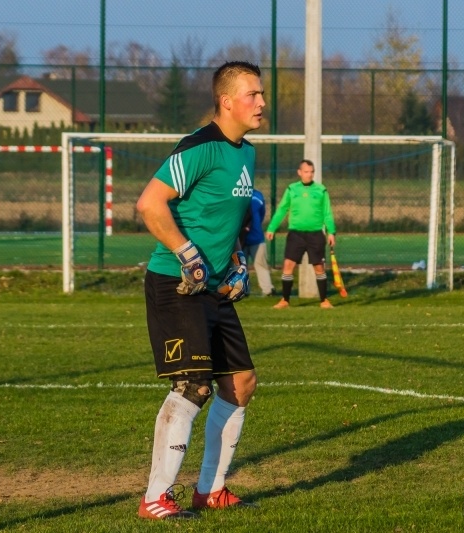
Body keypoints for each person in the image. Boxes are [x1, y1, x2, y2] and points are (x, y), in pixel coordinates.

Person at [135, 61, 264, 520]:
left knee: (240, 384)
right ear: (226, 100)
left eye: (261, 94)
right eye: (253, 94)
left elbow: (226, 221)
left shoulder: (245, 152)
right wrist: (187, 253)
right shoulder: (199, 147)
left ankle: (209, 489)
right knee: (193, 386)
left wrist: (238, 262)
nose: (262, 102)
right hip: (175, 282)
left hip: (212, 286)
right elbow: (149, 204)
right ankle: (155, 498)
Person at [265, 159, 336, 309]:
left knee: (319, 267)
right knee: (288, 265)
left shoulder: (321, 190)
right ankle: (285, 300)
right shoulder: (292, 189)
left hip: (316, 234)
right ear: (299, 173)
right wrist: (272, 228)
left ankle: (324, 300)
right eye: (306, 172)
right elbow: (282, 209)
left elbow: (327, 213)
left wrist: (331, 232)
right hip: (296, 234)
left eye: (311, 172)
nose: (309, 175)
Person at [241, 188, 276, 296]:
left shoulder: (257, 195)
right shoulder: (237, 193)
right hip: (240, 238)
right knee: (241, 266)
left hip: (256, 238)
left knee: (261, 264)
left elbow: (261, 214)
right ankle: (242, 290)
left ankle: (267, 290)